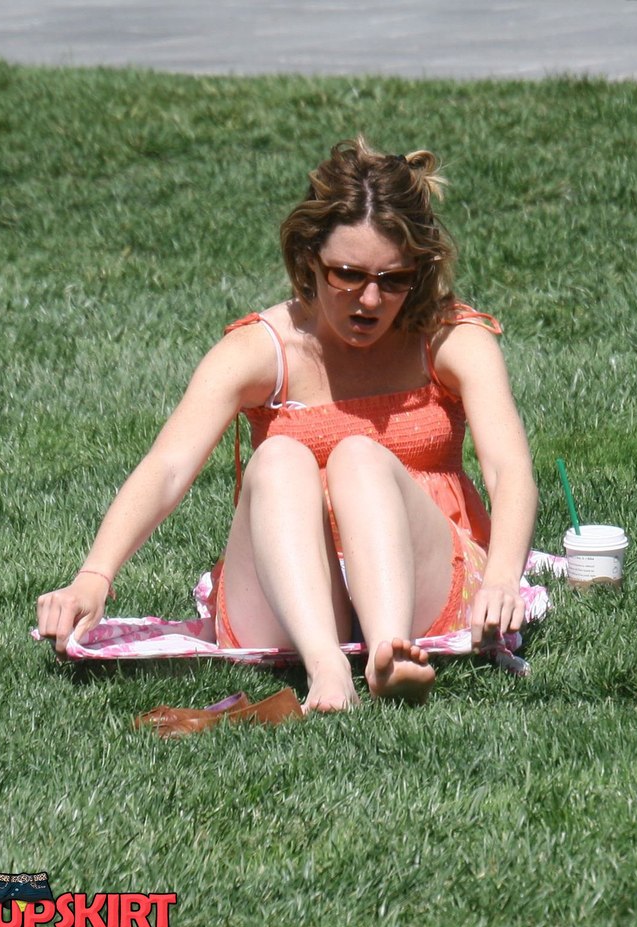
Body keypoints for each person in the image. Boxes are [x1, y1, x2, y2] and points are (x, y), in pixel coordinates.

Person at [36, 136, 538, 713]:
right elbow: (169, 466)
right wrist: (94, 576)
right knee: (276, 458)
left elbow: (508, 469)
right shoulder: (262, 348)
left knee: (359, 455)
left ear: (418, 273)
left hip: (423, 579)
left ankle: (388, 654)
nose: (370, 299)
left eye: (393, 279)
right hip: (290, 591)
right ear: (307, 260)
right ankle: (327, 667)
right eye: (347, 274)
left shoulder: (449, 338)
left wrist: (503, 577)